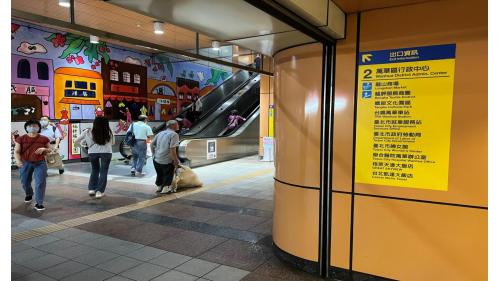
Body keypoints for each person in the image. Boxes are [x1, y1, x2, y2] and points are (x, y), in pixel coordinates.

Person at [14, 120, 52, 211]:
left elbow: (50, 149)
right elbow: (17, 151)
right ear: (26, 128)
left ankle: (39, 203)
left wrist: (44, 149)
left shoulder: (44, 138)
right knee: (25, 182)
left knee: (40, 182)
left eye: (35, 126)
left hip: (40, 163)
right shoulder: (21, 139)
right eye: (30, 126)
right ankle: (29, 193)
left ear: (38, 127)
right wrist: (18, 160)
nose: (32, 127)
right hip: (25, 162)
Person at [75, 117, 115, 199]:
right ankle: (99, 191)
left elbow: (76, 141)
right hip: (106, 153)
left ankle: (91, 189)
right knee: (103, 171)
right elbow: (113, 143)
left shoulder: (87, 131)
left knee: (95, 170)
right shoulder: (109, 132)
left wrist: (82, 146)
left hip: (92, 153)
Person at [151, 120, 180, 194]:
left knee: (160, 173)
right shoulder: (174, 134)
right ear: (173, 126)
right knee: (168, 173)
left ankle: (159, 187)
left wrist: (153, 154)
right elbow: (172, 149)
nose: (178, 125)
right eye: (177, 124)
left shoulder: (160, 133)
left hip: (157, 159)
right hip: (167, 160)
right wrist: (176, 160)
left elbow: (151, 144)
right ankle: (165, 189)